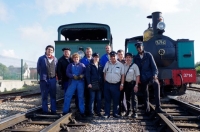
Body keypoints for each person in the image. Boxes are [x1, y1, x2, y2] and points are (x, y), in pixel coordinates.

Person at [134, 42, 165, 114]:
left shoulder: (149, 55)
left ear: (143, 47)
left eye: (141, 46)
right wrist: (137, 78)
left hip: (151, 76)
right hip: (142, 77)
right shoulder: (136, 58)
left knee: (157, 84)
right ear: (137, 49)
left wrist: (155, 75)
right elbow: (136, 69)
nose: (140, 48)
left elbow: (154, 67)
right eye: (138, 47)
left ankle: (158, 107)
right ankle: (147, 108)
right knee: (145, 92)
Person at [103, 51, 125, 118]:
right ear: (110, 57)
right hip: (107, 84)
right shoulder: (107, 63)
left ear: (116, 56)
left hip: (116, 85)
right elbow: (104, 72)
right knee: (107, 100)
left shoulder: (120, 65)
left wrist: (122, 84)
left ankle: (115, 113)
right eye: (111, 56)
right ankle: (107, 114)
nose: (113, 57)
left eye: (114, 56)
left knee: (116, 100)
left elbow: (123, 75)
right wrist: (105, 81)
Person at [37, 45, 58, 114]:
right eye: (49, 49)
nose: (50, 51)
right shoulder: (41, 58)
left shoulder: (55, 59)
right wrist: (43, 76)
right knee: (44, 96)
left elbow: (56, 69)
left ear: (53, 51)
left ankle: (53, 110)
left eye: (51, 50)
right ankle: (45, 111)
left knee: (53, 96)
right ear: (46, 50)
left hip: (53, 79)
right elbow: (38, 69)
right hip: (44, 80)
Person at [85, 53, 103, 117]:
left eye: (97, 57)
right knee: (92, 99)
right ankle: (91, 113)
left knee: (99, 99)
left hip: (99, 85)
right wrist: (89, 83)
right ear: (93, 58)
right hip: (92, 84)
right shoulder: (89, 66)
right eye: (95, 57)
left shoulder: (100, 66)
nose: (96, 58)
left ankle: (98, 112)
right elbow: (87, 75)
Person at [123, 53, 140, 118]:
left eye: (129, 57)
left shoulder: (135, 66)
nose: (128, 58)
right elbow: (123, 75)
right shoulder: (124, 66)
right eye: (127, 57)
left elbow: (137, 76)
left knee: (134, 98)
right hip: (126, 84)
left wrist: (136, 85)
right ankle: (128, 111)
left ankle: (135, 112)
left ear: (132, 58)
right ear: (125, 58)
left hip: (133, 84)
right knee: (127, 98)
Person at [80, 47, 93, 115]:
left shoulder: (94, 60)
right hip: (84, 80)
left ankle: (91, 109)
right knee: (85, 95)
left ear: (91, 52)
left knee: (92, 96)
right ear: (85, 52)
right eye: (87, 52)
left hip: (92, 81)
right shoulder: (82, 60)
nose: (88, 53)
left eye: (89, 51)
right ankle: (85, 109)